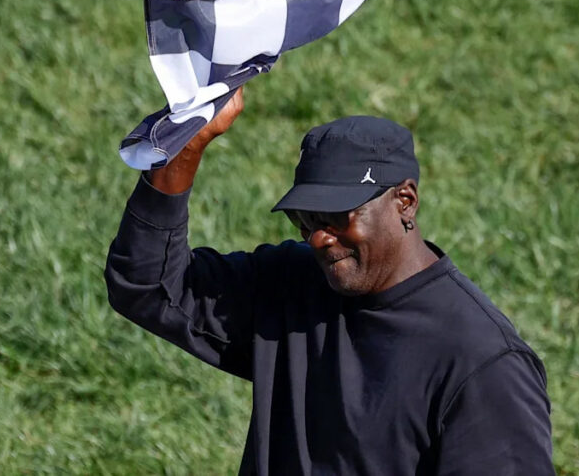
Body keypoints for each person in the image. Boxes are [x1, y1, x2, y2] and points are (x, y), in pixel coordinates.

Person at [105, 88, 554, 475]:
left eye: (337, 216)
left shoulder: (482, 362)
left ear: (405, 201)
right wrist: (187, 147)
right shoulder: (290, 286)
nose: (319, 237)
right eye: (305, 219)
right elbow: (147, 285)